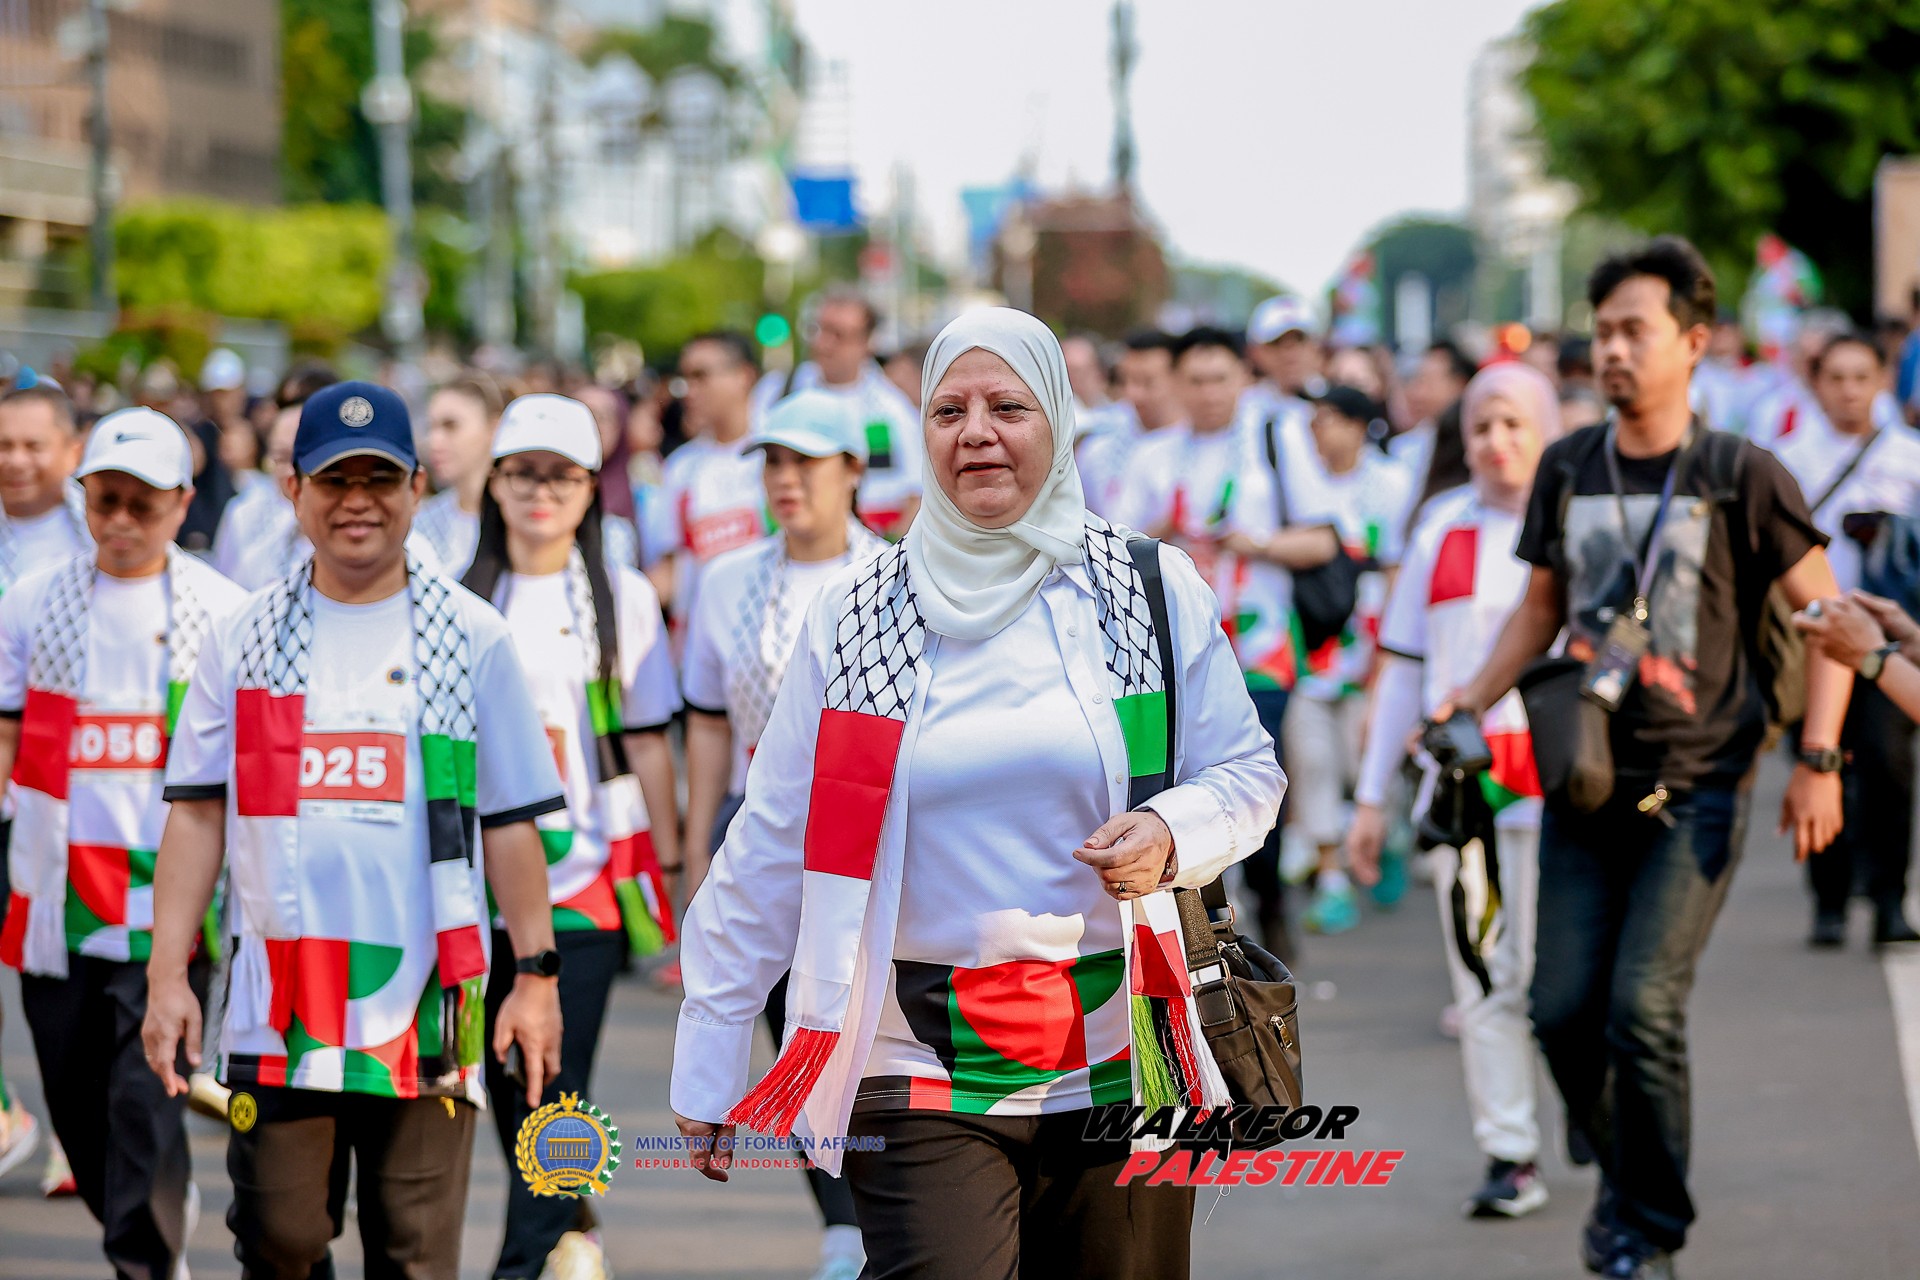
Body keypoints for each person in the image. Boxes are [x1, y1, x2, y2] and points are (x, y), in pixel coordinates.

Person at [671, 308, 1283, 1279]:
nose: (976, 433)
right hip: (913, 1054)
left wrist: (1171, 829)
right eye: (948, 410)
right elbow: (777, 832)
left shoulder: (1147, 590)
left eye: (1009, 407)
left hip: (1125, 1049)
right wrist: (710, 1047)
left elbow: (1248, 773)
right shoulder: (859, 611)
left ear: (1060, 422)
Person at [1443, 238, 1849, 1280]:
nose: (1613, 350)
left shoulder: (1740, 473)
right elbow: (1539, 608)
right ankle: (1623, 1161)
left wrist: (1820, 759)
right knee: (1561, 1012)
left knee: (1642, 1009)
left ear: (1694, 342)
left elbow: (1831, 622)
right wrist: (1467, 701)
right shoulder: (1569, 465)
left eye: (1636, 330)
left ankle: (1645, 1227)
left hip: (1698, 786)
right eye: (1605, 331)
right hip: (1584, 776)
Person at [141, 380, 568, 1278]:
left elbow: (510, 822)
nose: (358, 501)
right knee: (279, 1236)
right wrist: (167, 973)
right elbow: (198, 814)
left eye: (380, 479)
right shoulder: (241, 635)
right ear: (293, 490)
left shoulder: (474, 636)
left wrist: (534, 977)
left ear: (417, 488)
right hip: (278, 1007)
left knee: (414, 1252)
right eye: (335, 479)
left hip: (429, 1007)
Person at [0, 407, 248, 1278]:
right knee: (79, 1113)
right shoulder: (33, 602)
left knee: (146, 1108)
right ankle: (148, 1232)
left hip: (168, 916)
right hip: (57, 905)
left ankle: (148, 1259)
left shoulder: (225, 613)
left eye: (144, 503)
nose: (121, 520)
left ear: (182, 502)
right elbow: (7, 729)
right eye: (105, 500)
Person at [461, 394, 682, 1280]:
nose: (541, 492)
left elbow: (649, 741)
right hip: (473, 887)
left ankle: (524, 1262)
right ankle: (572, 1219)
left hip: (583, 886)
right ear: (495, 483)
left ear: (592, 487)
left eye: (562, 476)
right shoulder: (460, 597)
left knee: (553, 1080)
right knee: (501, 1078)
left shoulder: (622, 599)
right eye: (524, 474)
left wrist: (675, 867)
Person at [679, 390, 888, 1280]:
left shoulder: (895, 575)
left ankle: (885, 1216)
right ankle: (839, 1225)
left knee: (868, 1027)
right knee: (793, 1025)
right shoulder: (726, 580)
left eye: (806, 461)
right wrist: (696, 846)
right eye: (772, 462)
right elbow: (705, 723)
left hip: (870, 836)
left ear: (853, 471)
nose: (786, 480)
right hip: (761, 828)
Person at [1348, 363, 1562, 1220]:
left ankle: (1593, 1111)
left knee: (1565, 984)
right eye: (1480, 426)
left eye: (1514, 423)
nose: (1496, 442)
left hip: (1566, 791)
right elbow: (1402, 670)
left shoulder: (1577, 523)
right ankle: (1510, 1151)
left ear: (1549, 430)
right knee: (1485, 978)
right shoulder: (1442, 528)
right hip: (1467, 796)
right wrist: (1371, 798)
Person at [1114, 326, 1337, 958]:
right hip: (1171, 649)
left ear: (1243, 378)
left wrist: (1255, 545)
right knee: (1182, 780)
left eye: (1221, 379)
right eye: (1196, 380)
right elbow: (1112, 546)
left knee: (1253, 772)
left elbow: (1323, 540)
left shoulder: (1277, 440)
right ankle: (1207, 928)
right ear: (1177, 384)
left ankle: (1267, 901)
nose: (1209, 393)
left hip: (1259, 648)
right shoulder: (1154, 457)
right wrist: (1159, 532)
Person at [1770, 333, 1920, 947]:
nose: (1850, 391)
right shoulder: (1786, 461)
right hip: (1813, 636)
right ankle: (1828, 900)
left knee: (1888, 768)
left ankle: (1889, 902)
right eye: (1836, 378)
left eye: (1862, 377)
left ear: (1881, 380)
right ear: (1816, 383)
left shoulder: (1909, 457)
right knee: (1820, 756)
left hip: (1888, 636)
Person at [0, 380, 90, 1194]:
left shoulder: (99, 533)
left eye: (35, 445)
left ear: (71, 450)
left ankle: (76, 1128)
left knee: (62, 977)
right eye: (5, 445)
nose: (18, 461)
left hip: (67, 798)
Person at [1290, 385, 1415, 933]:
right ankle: (1331, 880)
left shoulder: (1392, 484)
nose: (1318, 429)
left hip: (1369, 645)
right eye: (1315, 419)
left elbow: (1398, 572)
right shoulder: (1299, 480)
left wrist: (1392, 653)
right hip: (1307, 645)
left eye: (1330, 418)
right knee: (1312, 758)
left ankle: (1389, 836)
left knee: (1364, 757)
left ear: (1360, 425)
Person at [761, 289, 925, 539]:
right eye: (819, 330)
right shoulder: (779, 391)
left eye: (838, 334)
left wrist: (888, 554)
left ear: (866, 343)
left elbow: (916, 492)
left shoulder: (892, 408)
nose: (824, 344)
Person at [1076, 329, 1181, 520]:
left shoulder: (1202, 439)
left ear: (1177, 378)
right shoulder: (1099, 444)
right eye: (1125, 380)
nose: (1133, 393)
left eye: (1147, 382)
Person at [415, 372, 508, 570]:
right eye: (431, 427)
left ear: (494, 428)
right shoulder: (422, 524)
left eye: (451, 426)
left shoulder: (520, 519)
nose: (435, 442)